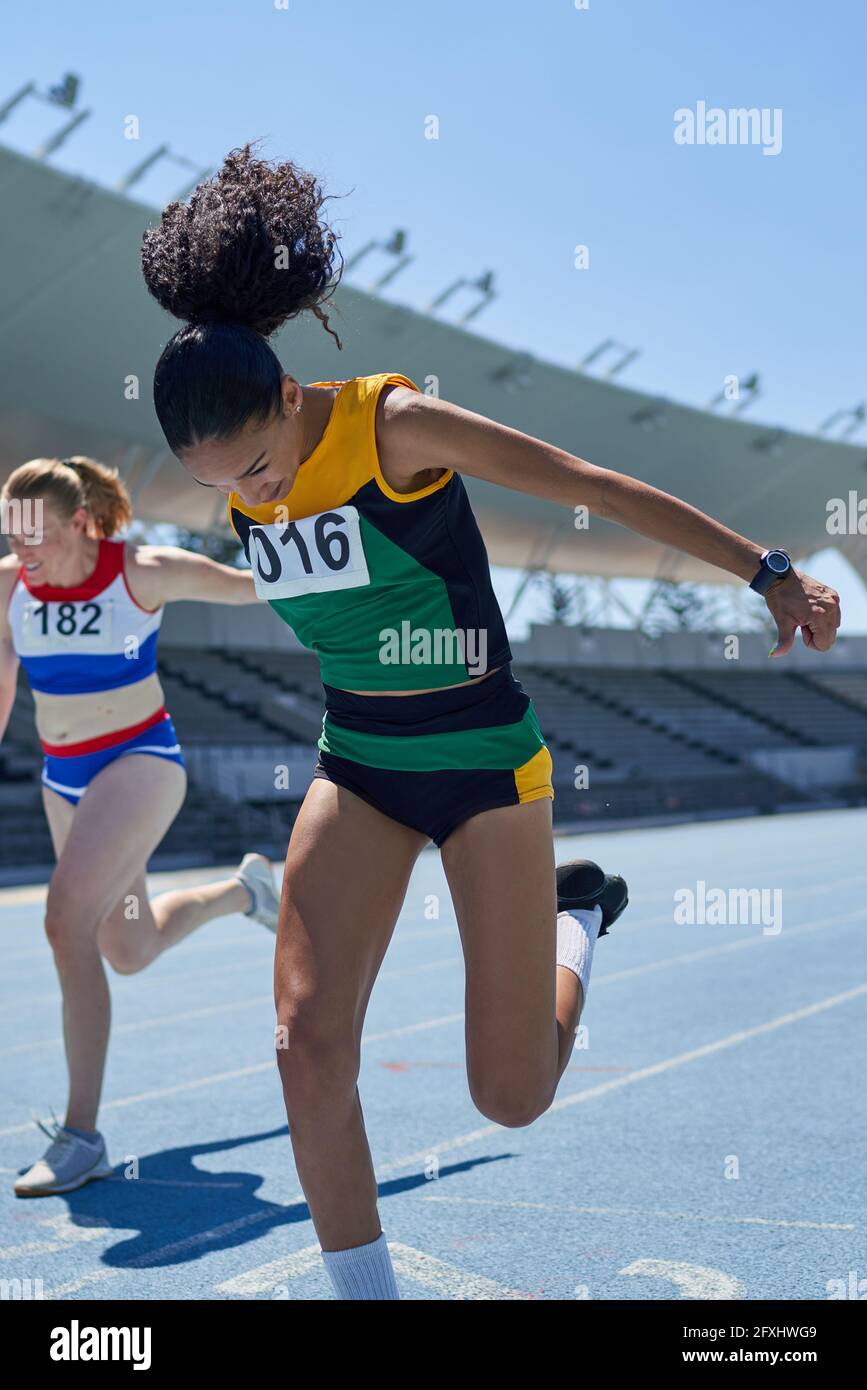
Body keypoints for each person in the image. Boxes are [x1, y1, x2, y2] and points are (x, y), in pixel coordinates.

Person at [140, 142, 841, 1300]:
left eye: (261, 468)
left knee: (509, 1094)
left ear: (287, 395)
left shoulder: (395, 427)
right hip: (358, 762)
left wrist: (766, 568)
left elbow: (592, 485)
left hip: (483, 769)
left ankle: (578, 917)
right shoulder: (243, 470)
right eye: (228, 490)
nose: (254, 499)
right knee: (305, 1046)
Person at [0, 455, 281, 1197]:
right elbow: (1, 684)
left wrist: (341, 538)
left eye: (39, 540)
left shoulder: (143, 571)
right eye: (12, 539)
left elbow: (257, 585)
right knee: (128, 948)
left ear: (84, 524)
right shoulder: (7, 587)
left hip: (140, 764)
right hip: (65, 781)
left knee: (65, 925)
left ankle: (81, 1134)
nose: (24, 556)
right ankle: (242, 895)